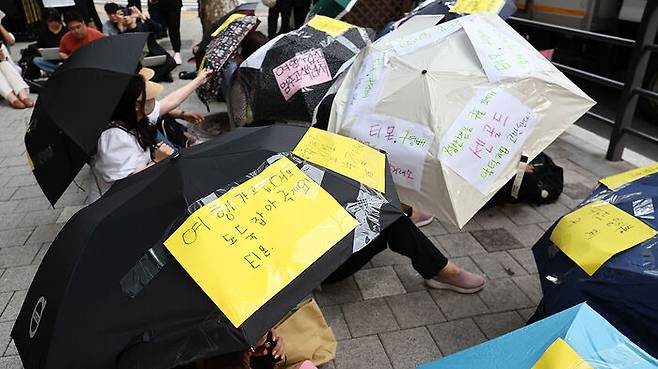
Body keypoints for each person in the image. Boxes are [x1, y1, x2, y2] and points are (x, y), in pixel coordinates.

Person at [326, 214, 486, 293]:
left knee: (386, 213)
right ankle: (442, 271)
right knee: (391, 220)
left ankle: (408, 212)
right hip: (319, 269)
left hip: (325, 245)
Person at [89, 74, 174, 199]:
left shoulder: (135, 122)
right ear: (136, 105)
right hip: (119, 206)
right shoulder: (114, 138)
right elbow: (124, 186)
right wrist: (158, 160)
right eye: (149, 97)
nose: (154, 101)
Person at [121, 6, 175, 82]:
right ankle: (160, 76)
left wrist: (142, 16)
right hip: (140, 61)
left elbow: (159, 29)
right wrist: (120, 25)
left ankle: (153, 79)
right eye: (123, 16)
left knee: (171, 62)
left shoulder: (144, 26)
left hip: (155, 55)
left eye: (127, 15)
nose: (125, 18)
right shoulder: (124, 34)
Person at [0, 19, 33, 109]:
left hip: (7, 66)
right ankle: (12, 98)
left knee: (4, 63)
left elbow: (11, 41)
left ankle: (22, 94)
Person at [31, 8, 67, 76]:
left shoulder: (66, 31)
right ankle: (58, 71)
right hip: (49, 60)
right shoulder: (43, 32)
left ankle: (55, 72)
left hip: (65, 58)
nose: (53, 24)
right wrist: (40, 50)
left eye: (55, 21)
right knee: (36, 60)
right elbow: (39, 46)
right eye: (50, 22)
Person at [150, 0, 182, 64]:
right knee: (154, 27)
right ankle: (153, 52)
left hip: (172, 4)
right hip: (155, 4)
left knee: (174, 27)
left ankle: (177, 52)